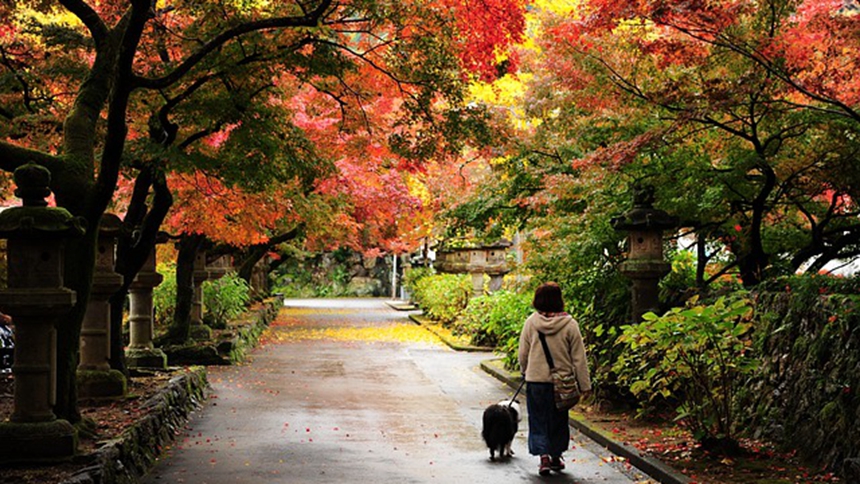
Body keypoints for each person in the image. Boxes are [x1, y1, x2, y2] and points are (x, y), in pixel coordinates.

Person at [518, 282, 592, 476]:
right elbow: (579, 357)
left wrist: (524, 371)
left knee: (538, 419)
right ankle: (556, 456)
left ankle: (543, 457)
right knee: (559, 420)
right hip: (562, 383)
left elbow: (523, 353)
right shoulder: (570, 324)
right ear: (559, 300)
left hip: (536, 381)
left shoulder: (531, 323)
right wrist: (585, 385)